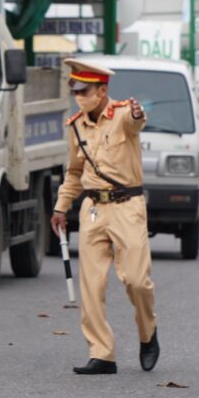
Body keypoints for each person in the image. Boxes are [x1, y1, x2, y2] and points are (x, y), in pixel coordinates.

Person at [50, 58, 160, 375]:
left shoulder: (124, 114)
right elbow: (73, 172)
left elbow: (137, 121)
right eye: (76, 91)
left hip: (128, 206)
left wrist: (139, 114)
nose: (79, 97)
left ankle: (148, 333)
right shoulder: (75, 126)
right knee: (92, 285)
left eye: (85, 91)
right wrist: (61, 206)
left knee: (137, 281)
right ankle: (102, 353)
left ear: (102, 91)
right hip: (93, 209)